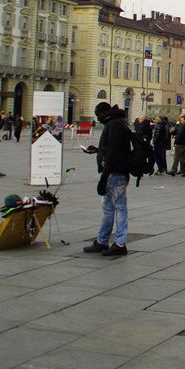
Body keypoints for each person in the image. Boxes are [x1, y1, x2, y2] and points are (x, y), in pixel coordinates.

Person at [82, 101, 131, 256]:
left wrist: (104, 178)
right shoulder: (117, 123)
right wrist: (98, 151)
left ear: (104, 112)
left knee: (110, 208)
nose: (98, 118)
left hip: (115, 172)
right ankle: (112, 242)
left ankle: (110, 242)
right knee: (119, 207)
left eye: (98, 115)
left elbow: (114, 152)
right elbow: (113, 148)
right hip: (118, 171)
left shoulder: (114, 125)